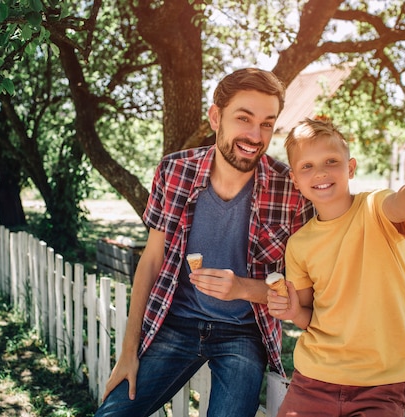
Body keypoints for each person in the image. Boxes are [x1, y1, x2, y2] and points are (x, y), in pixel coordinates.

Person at [94, 68, 315, 417]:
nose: (255, 135)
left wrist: (242, 288)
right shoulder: (173, 171)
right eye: (244, 118)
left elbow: (302, 290)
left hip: (244, 334)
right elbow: (151, 260)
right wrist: (128, 351)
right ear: (216, 117)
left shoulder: (291, 190)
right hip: (175, 323)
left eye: (267, 123)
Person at [267, 117, 405, 416]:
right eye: (307, 166)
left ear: (350, 168)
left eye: (331, 161)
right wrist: (292, 312)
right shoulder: (298, 244)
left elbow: (398, 204)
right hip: (313, 380)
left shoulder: (374, 206)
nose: (321, 172)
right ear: (296, 181)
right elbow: (307, 316)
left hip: (380, 383)